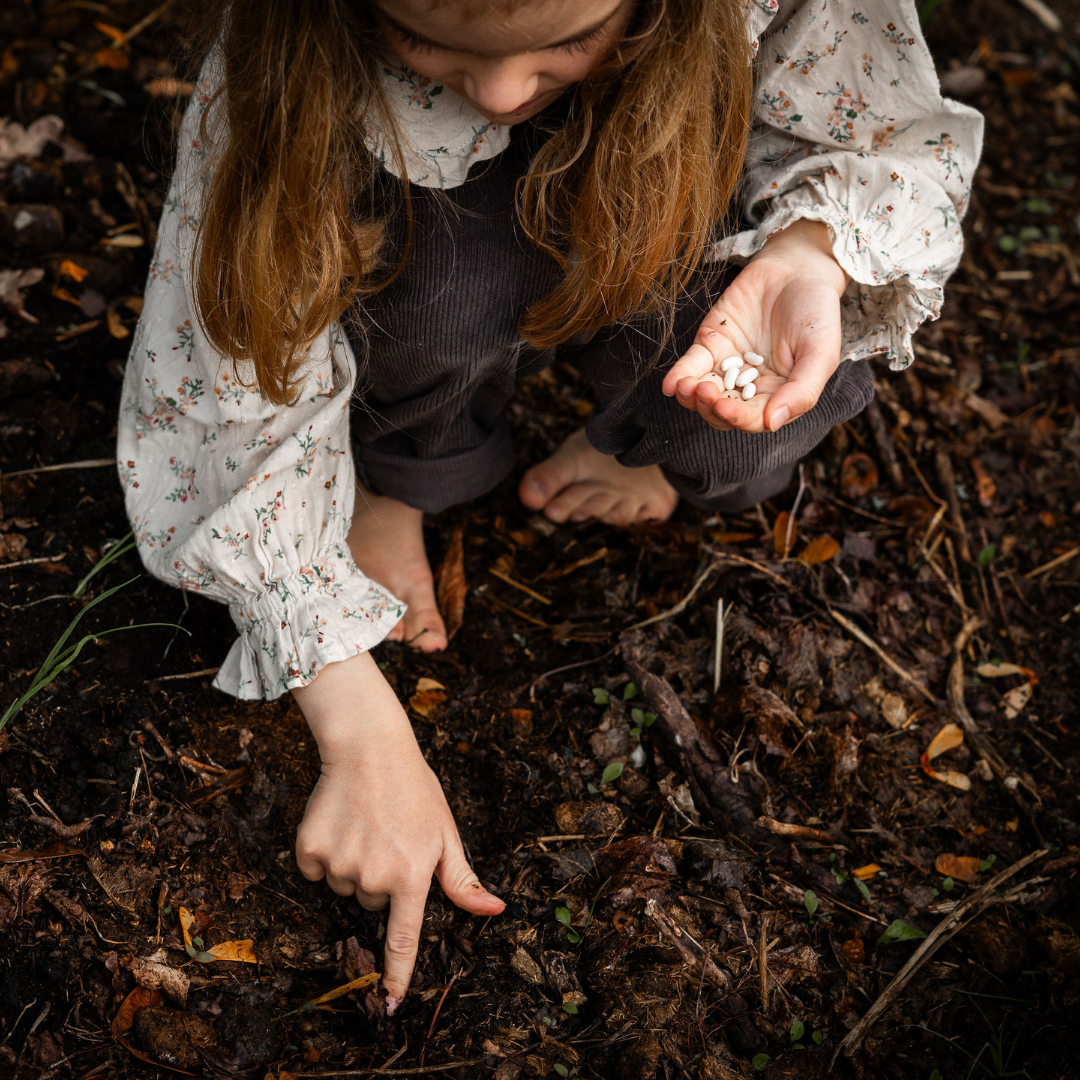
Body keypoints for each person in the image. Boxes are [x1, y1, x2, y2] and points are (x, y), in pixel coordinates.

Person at [117, 0, 981, 1012]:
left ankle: (645, 444)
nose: (497, 90)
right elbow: (226, 372)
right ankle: (405, 471)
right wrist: (357, 727)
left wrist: (808, 254)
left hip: (677, 198)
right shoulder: (288, 60)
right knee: (430, 297)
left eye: (564, 41)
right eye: (429, 43)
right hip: (433, 224)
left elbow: (885, 136)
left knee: (741, 423)